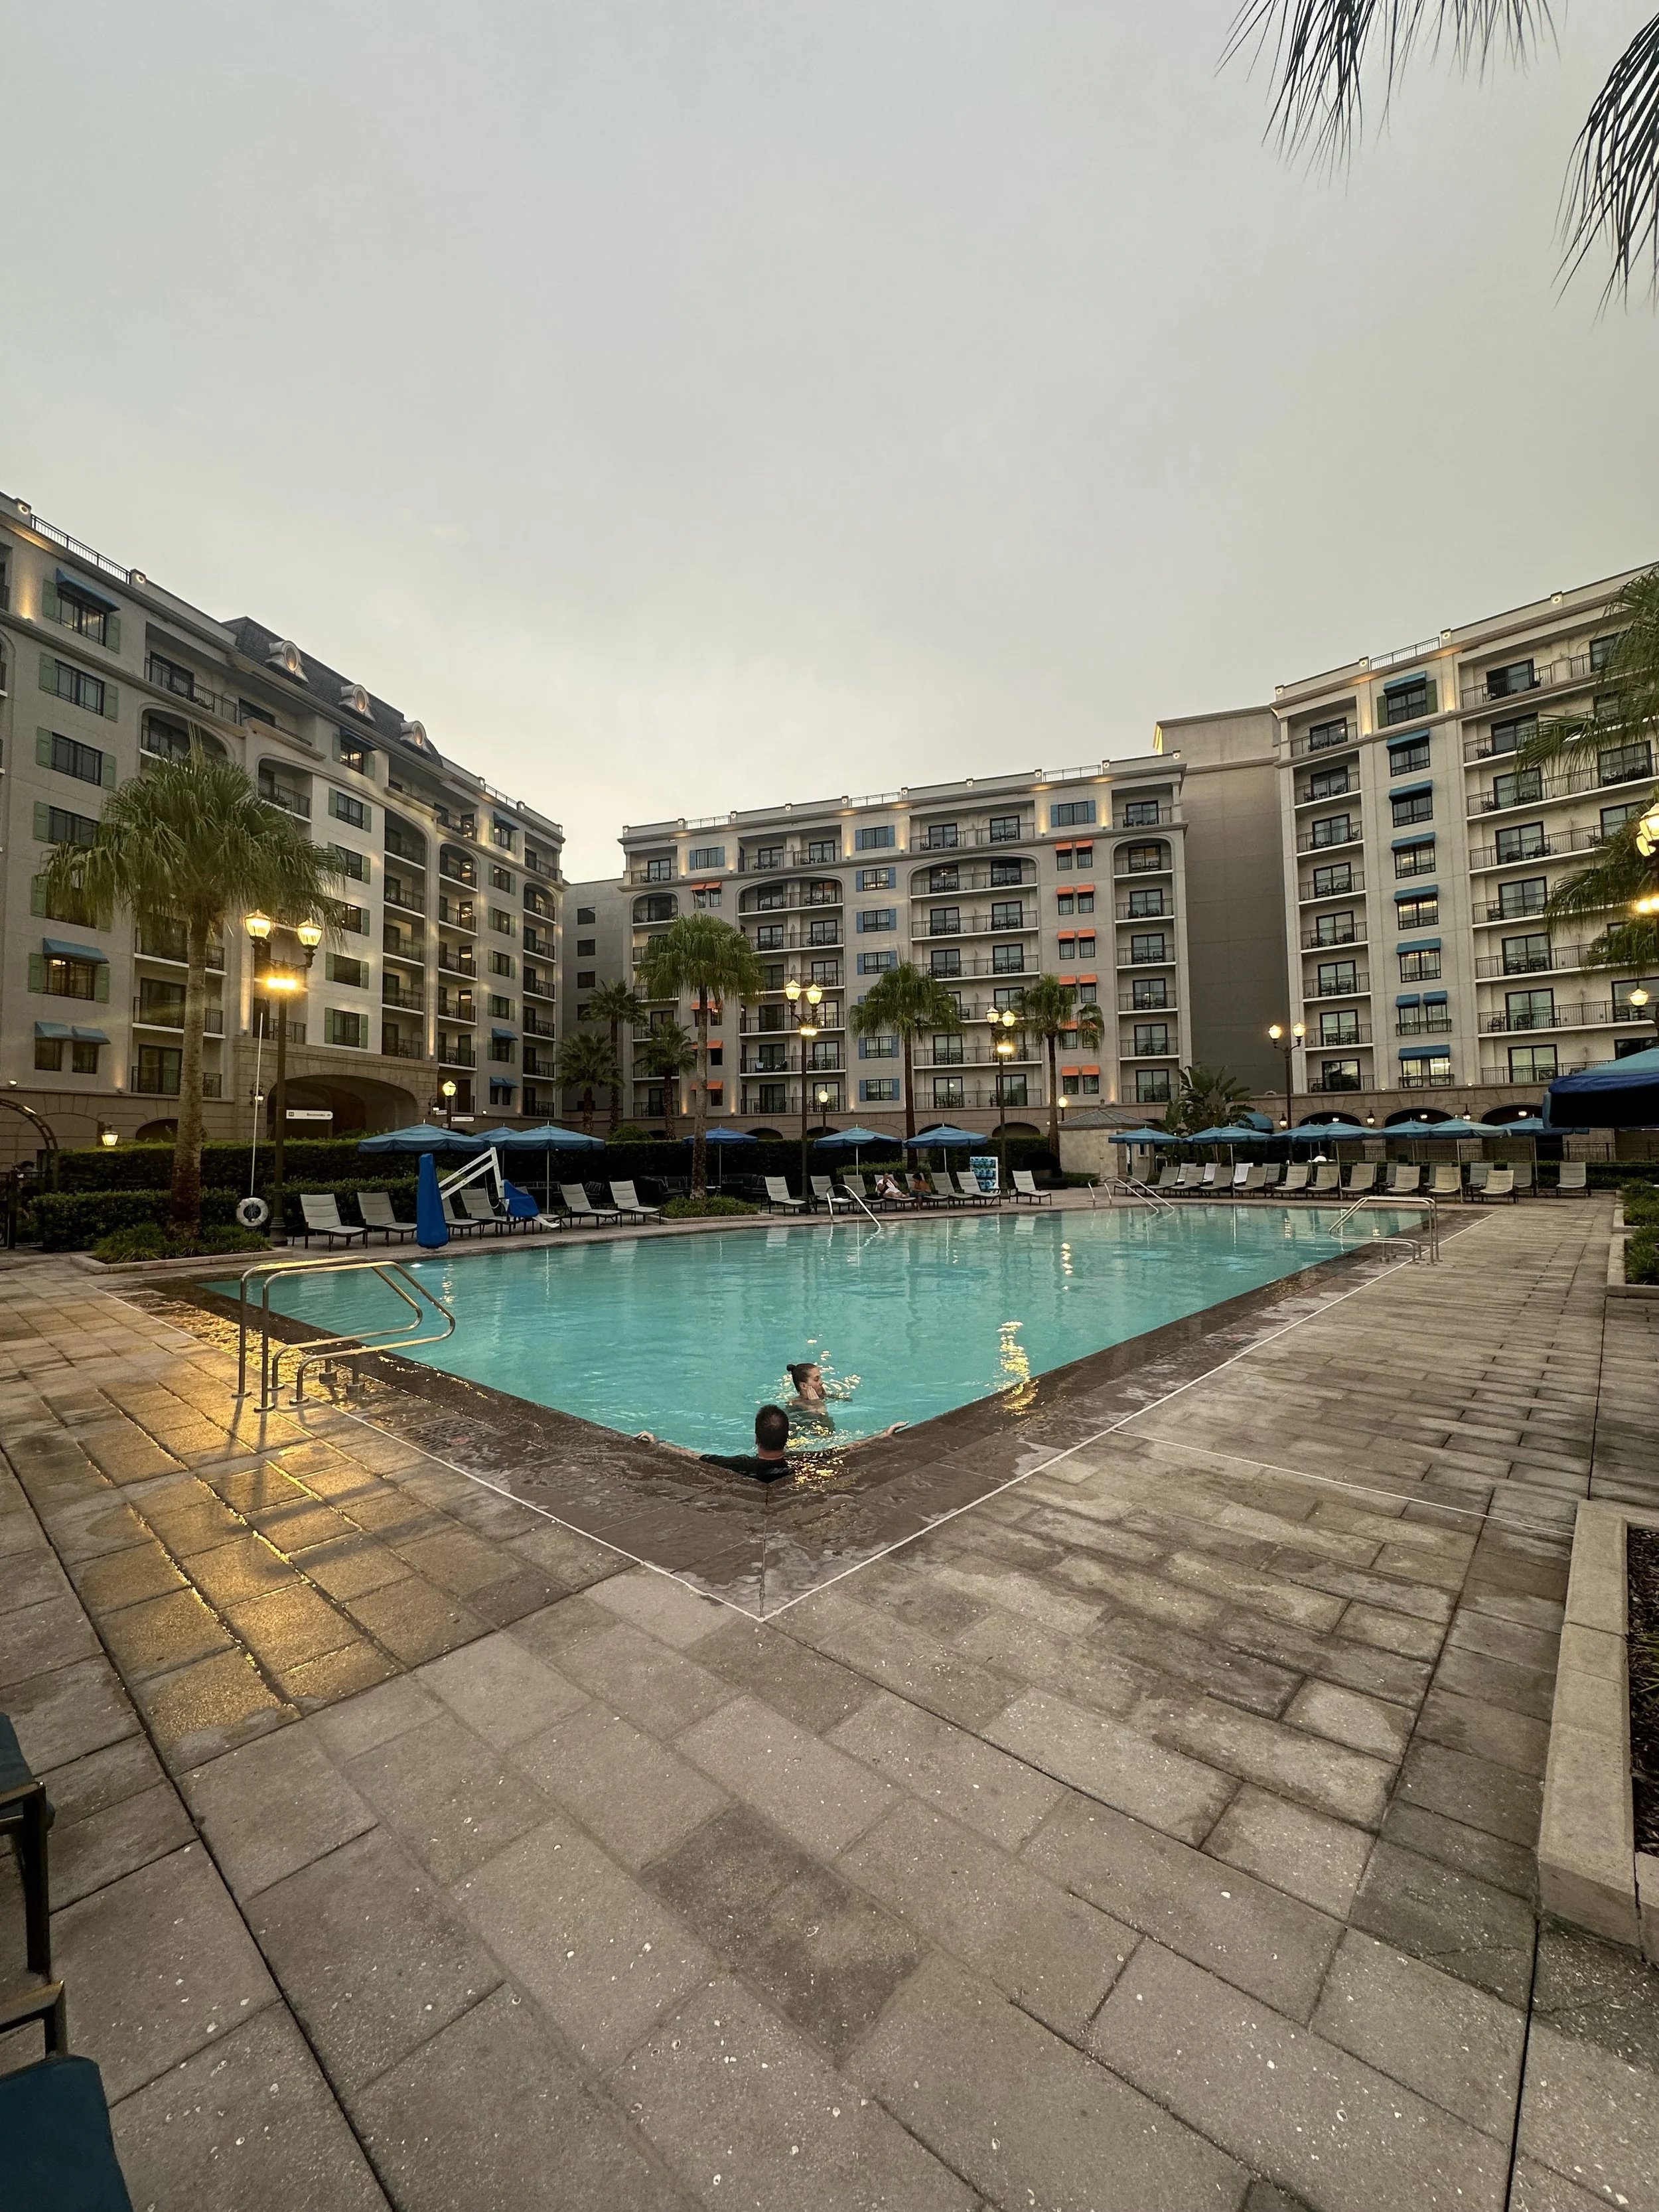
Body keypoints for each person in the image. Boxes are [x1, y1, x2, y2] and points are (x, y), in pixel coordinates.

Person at [635, 1403, 794, 1483]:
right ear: (787, 1439)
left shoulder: (738, 1464)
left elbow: (694, 1457)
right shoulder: (800, 1463)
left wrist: (659, 1442)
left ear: (756, 1438)